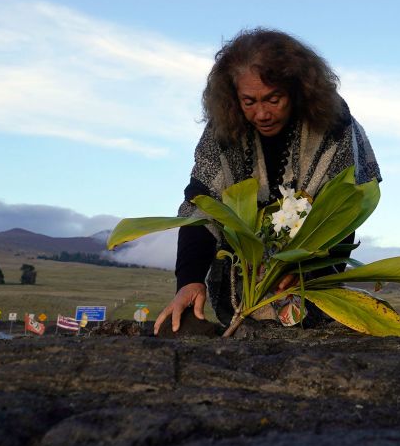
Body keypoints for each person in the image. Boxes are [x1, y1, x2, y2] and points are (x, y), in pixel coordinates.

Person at [154, 28, 380, 335]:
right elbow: (203, 203)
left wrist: (309, 274)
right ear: (234, 98)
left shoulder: (334, 126)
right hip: (242, 282)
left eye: (274, 99)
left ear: (298, 90)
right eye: (249, 101)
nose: (262, 113)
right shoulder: (223, 131)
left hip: (308, 271)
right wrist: (189, 280)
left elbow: (343, 212)